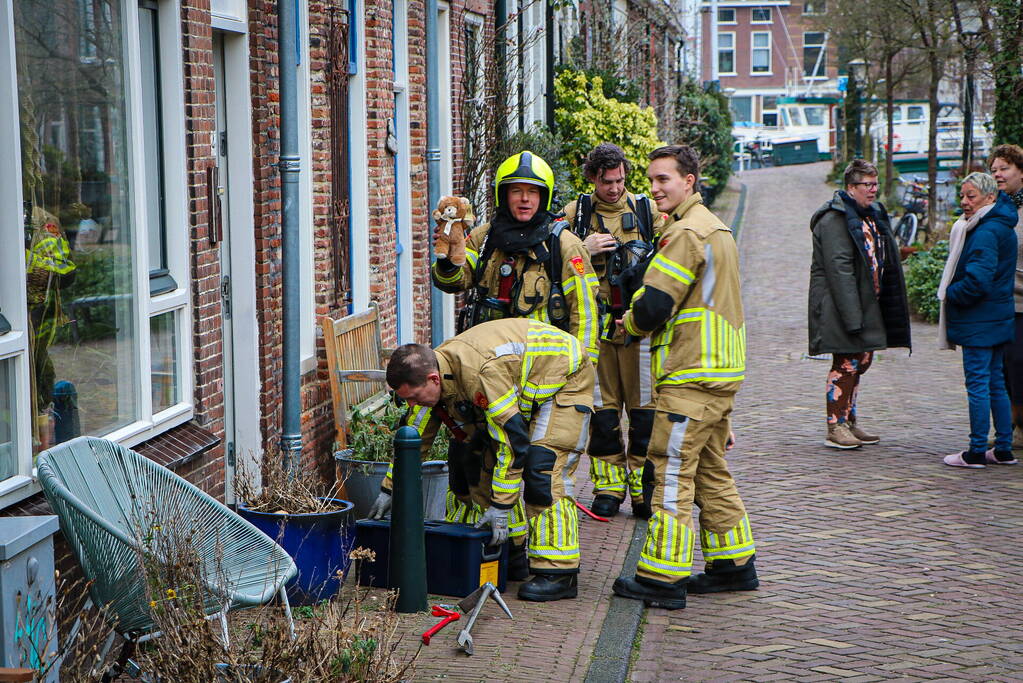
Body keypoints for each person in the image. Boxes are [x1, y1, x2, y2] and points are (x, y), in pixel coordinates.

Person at [610, 145, 756, 610]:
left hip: (689, 374)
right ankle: (733, 564)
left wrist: (629, 324)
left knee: (669, 471)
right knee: (710, 469)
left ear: (689, 180)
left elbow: (655, 305)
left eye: (663, 179)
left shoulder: (685, 232)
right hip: (720, 373)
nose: (654, 189)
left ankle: (662, 578)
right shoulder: (716, 228)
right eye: (651, 180)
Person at [371, 319, 594, 601]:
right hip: (522, 383)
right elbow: (414, 437)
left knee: (543, 472)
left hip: (565, 379)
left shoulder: (481, 373)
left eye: (414, 397)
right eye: (406, 400)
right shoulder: (434, 374)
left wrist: (500, 507)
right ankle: (512, 555)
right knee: (475, 463)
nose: (412, 404)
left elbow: (512, 442)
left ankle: (559, 572)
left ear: (433, 380)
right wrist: (390, 488)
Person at [559, 143, 667, 519]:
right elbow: (553, 257)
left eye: (620, 180)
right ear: (593, 178)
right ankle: (608, 487)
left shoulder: (646, 211)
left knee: (644, 414)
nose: (615, 188)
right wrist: (582, 248)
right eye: (607, 182)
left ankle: (642, 488)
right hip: (599, 332)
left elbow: (673, 250)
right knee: (602, 415)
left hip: (639, 331)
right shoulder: (575, 215)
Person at [432, 151, 599, 362]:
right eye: (516, 191)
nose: (525, 199)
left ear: (544, 197)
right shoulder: (484, 239)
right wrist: (447, 260)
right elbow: (453, 282)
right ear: (503, 195)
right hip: (489, 362)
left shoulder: (565, 245)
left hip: (544, 367)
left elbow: (584, 314)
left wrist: (583, 365)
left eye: (533, 191)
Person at [808, 159, 911, 449]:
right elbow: (840, 270)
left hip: (867, 303)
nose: (873, 190)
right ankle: (835, 426)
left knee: (862, 360)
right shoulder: (834, 220)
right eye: (867, 185)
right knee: (846, 362)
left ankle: (849, 420)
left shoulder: (869, 215)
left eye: (875, 184)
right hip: (840, 305)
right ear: (851, 187)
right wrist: (852, 317)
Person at [938, 172, 1019, 468]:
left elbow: (977, 281)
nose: (964, 202)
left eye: (971, 196)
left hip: (979, 320)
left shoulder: (985, 231)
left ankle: (975, 451)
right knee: (996, 382)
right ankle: (1003, 449)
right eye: (962, 195)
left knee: (978, 383)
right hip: (997, 317)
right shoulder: (1002, 226)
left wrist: (949, 293)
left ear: (990, 197)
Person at [989, 144, 1023, 448]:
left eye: (1004, 168)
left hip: (1021, 301)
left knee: (1018, 363)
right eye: (994, 170)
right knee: (1003, 367)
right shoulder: (995, 207)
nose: (998, 174)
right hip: (999, 300)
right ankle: (1010, 426)